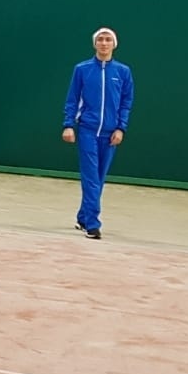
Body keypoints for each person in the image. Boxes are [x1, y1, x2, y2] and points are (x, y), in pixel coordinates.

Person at [62, 26, 134, 240]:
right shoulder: (82, 69)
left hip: (110, 134)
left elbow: (126, 102)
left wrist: (121, 128)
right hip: (87, 131)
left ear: (114, 44)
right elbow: (72, 99)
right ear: (95, 44)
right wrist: (68, 125)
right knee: (91, 177)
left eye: (108, 40)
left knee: (99, 178)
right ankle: (93, 224)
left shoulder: (123, 72)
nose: (104, 43)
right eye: (100, 39)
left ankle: (83, 216)